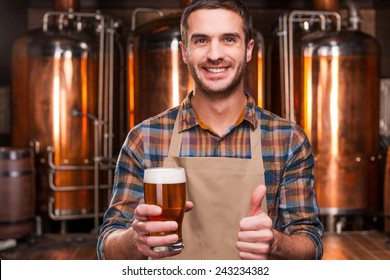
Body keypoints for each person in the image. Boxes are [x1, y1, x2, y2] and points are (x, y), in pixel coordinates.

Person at [97, 0, 323, 260]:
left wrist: (276, 243)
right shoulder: (144, 138)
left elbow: (311, 244)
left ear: (248, 50)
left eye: (229, 39)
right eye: (201, 40)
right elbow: (107, 246)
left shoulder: (287, 140)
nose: (215, 54)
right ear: (184, 51)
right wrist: (132, 239)